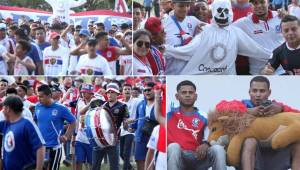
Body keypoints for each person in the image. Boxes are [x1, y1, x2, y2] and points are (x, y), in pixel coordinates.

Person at [164, 0, 271, 75]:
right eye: (219, 11)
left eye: (226, 11)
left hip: (227, 80)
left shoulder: (235, 32)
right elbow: (188, 50)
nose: (223, 15)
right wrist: (167, 49)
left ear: (230, 11)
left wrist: (275, 55)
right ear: (214, 11)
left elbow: (255, 49)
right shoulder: (205, 31)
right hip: (205, 77)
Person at [240, 76, 300, 170]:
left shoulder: (276, 106)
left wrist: (281, 109)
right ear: (249, 92)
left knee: (298, 143)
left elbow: (297, 115)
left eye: (262, 91)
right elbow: (222, 109)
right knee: (250, 141)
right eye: (254, 91)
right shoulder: (242, 104)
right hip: (255, 155)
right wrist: (249, 111)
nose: (258, 95)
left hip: (275, 153)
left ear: (269, 92)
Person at [167, 80, 226, 170]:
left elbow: (211, 136)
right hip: (179, 157)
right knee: (173, 147)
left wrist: (206, 144)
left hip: (198, 157)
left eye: (191, 92)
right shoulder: (169, 112)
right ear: (177, 96)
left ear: (196, 96)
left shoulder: (204, 116)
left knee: (218, 149)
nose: (187, 95)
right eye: (183, 92)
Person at [233, 0, 285, 75]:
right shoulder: (244, 23)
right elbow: (227, 29)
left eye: (262, 2)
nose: (259, 5)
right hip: (258, 72)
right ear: (251, 5)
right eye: (255, 3)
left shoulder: (280, 16)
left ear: (268, 3)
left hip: (282, 69)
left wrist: (288, 16)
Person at [34, 84, 76, 170]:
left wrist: (66, 136)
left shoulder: (61, 108)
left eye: (41, 97)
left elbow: (73, 121)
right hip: (40, 147)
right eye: (38, 96)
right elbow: (35, 120)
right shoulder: (38, 106)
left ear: (49, 96)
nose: (39, 99)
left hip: (54, 148)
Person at [0, 96, 45, 170]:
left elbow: (40, 147)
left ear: (7, 109)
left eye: (3, 108)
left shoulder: (27, 123)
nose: (2, 111)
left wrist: (38, 168)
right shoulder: (6, 124)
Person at [92, 82, 130, 170]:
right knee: (95, 166)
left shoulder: (123, 106)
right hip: (100, 139)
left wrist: (126, 123)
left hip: (113, 140)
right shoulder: (102, 105)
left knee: (114, 167)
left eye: (112, 92)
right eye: (108, 92)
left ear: (117, 94)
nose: (109, 94)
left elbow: (125, 127)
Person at [163, 0, 203, 74]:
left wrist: (199, 32)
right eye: (181, 6)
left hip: (189, 72)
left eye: (187, 5)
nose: (185, 9)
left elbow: (210, 29)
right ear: (172, 5)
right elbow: (160, 49)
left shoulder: (193, 21)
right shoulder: (164, 23)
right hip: (171, 72)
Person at [131, 82, 158, 170]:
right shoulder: (140, 104)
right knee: (139, 160)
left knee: (153, 161)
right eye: (145, 90)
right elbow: (137, 119)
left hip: (154, 136)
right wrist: (131, 126)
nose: (147, 92)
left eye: (149, 90)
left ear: (155, 90)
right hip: (140, 136)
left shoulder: (161, 104)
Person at [119, 83, 142, 170]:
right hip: (121, 129)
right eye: (125, 89)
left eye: (129, 89)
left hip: (131, 130)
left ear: (131, 91)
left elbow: (145, 105)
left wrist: (135, 120)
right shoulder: (119, 102)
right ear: (122, 92)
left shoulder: (137, 101)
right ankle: (130, 168)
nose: (127, 90)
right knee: (121, 153)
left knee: (126, 152)